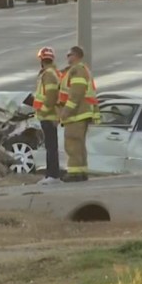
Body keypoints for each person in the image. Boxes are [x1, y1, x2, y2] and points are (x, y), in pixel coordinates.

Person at [57, 46, 100, 183]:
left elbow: (76, 94)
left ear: (76, 56)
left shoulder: (77, 70)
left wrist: (65, 112)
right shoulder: (82, 70)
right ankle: (81, 172)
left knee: (72, 143)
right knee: (79, 144)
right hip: (82, 113)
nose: (68, 58)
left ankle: (74, 173)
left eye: (69, 55)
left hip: (76, 114)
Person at [33, 47, 62, 185]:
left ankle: (52, 175)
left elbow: (51, 96)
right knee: (51, 146)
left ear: (41, 60)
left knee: (50, 147)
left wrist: (43, 110)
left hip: (48, 116)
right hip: (50, 115)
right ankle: (51, 175)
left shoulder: (49, 74)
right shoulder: (52, 72)